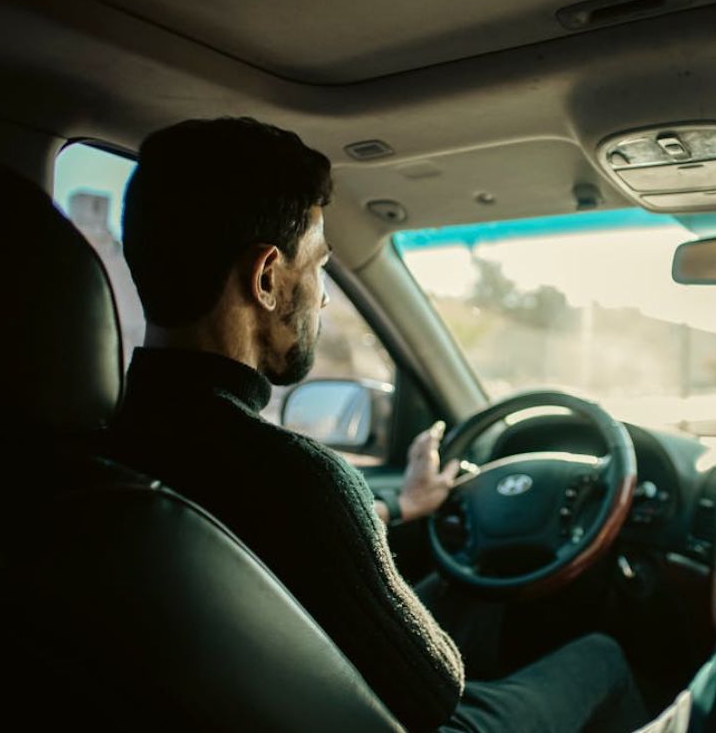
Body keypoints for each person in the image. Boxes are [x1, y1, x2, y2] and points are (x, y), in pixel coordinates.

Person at [108, 116, 646, 733]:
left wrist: (405, 508)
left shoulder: (98, 445)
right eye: (318, 266)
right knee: (603, 658)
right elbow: (435, 688)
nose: (323, 296)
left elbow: (285, 541)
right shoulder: (296, 479)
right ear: (265, 278)